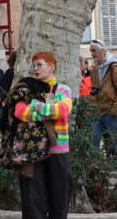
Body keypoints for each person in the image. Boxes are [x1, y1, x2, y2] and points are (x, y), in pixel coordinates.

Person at [13, 52, 73, 219]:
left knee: (59, 200)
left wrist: (34, 105)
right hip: (34, 154)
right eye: (34, 66)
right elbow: (19, 112)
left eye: (40, 65)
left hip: (58, 151)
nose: (35, 69)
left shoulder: (62, 89)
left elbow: (62, 110)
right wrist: (45, 114)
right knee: (34, 202)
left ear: (52, 67)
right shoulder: (27, 89)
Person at [88, 40, 117, 184]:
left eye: (94, 51)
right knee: (92, 141)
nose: (92, 54)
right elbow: (94, 90)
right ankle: (95, 173)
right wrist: (92, 107)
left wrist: (115, 110)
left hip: (112, 113)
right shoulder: (95, 69)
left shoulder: (114, 66)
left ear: (102, 51)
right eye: (91, 51)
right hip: (98, 112)